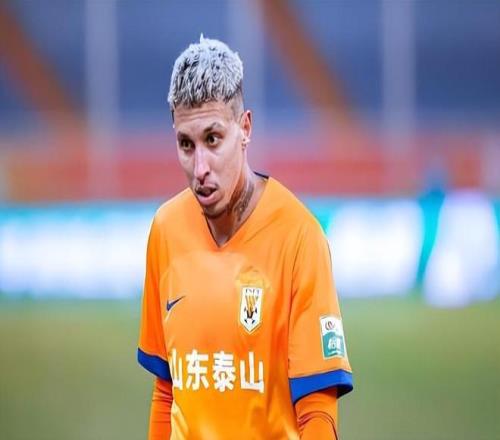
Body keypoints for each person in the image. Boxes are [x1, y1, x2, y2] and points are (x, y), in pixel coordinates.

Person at [137, 36, 353, 439]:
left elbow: (317, 412)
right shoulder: (166, 229)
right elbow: (166, 391)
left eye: (212, 139)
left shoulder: (299, 237)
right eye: (186, 145)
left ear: (245, 129)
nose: (200, 167)